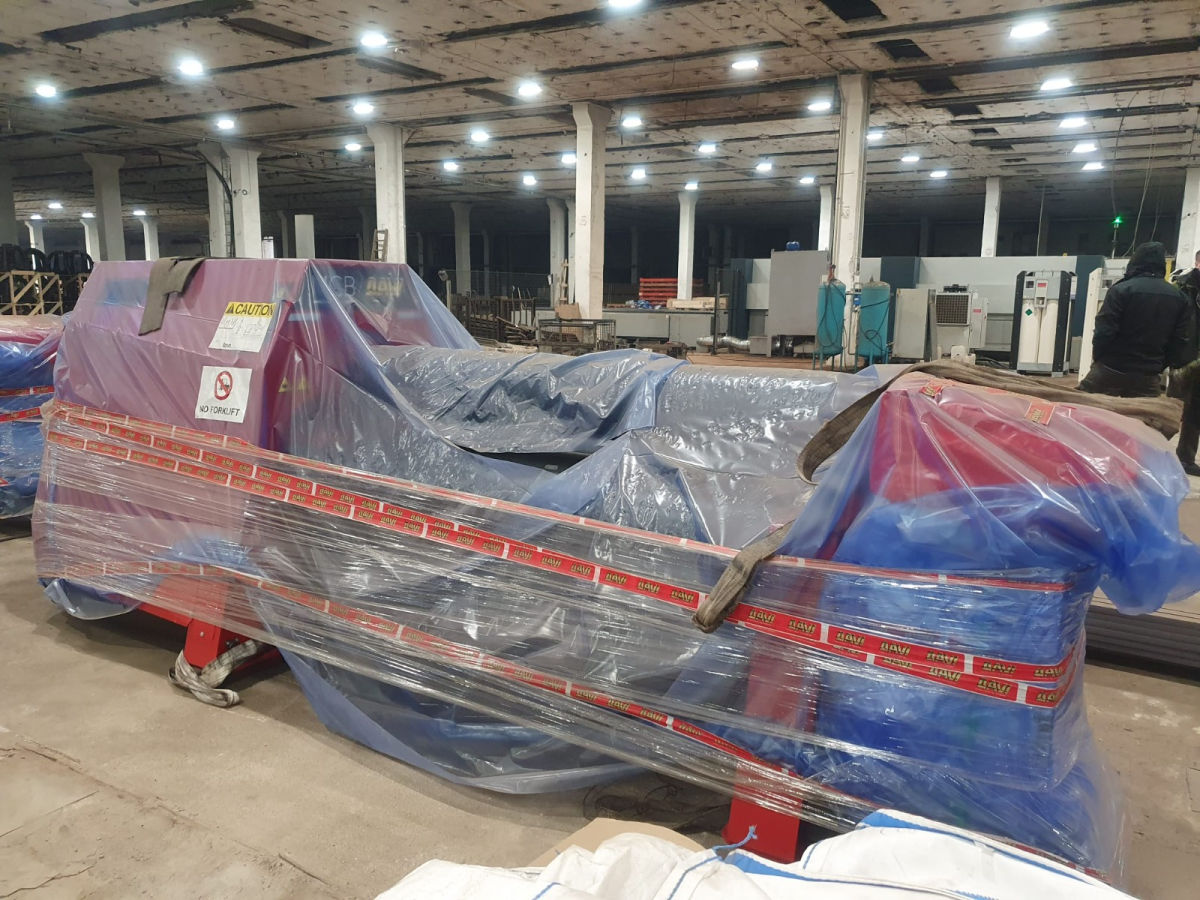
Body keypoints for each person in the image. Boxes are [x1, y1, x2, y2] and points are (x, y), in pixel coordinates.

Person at [1078, 241, 1193, 399]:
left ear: (1135, 261)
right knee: (1146, 414)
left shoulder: (1120, 290)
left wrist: (1100, 359)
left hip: (1110, 368)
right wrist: (1158, 366)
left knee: (1083, 407)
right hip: (1147, 376)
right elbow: (1179, 341)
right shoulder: (1180, 298)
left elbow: (1104, 332)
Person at [1171, 250, 1200, 474]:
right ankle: (1153, 454)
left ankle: (1186, 458)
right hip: (1184, 356)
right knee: (1174, 408)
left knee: (1195, 411)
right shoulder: (1182, 287)